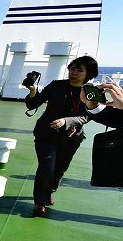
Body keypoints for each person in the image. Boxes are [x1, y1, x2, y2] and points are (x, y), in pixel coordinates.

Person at [25, 56, 97, 216]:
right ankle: (40, 202)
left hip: (71, 138)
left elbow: (87, 116)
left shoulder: (91, 91)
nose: (74, 73)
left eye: (80, 70)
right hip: (46, 134)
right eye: (72, 68)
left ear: (88, 74)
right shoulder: (56, 85)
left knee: (59, 170)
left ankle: (49, 191)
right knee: (46, 168)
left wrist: (66, 121)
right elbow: (33, 104)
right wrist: (32, 91)